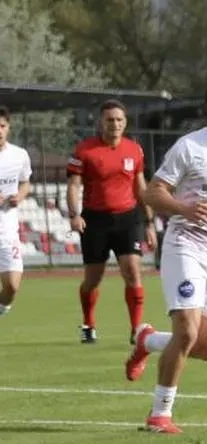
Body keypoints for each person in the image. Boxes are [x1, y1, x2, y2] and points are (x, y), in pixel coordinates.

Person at [123, 73, 207, 434]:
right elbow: (152, 193)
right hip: (186, 247)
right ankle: (159, 414)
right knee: (188, 330)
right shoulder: (191, 147)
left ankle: (147, 340)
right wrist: (184, 208)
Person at [67, 100, 157, 344]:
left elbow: (140, 187)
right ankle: (88, 323)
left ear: (125, 122)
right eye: (109, 120)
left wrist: (149, 222)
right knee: (93, 279)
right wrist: (75, 214)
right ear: (100, 122)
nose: (114, 124)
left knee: (132, 272)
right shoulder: (84, 151)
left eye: (119, 119)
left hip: (128, 218)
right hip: (95, 220)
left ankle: (136, 329)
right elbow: (74, 186)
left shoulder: (134, 150)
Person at [0, 106, 33, 316]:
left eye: (2, 126)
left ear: (8, 128)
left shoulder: (19, 155)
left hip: (6, 231)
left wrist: (19, 197)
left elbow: (25, 182)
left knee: (12, 287)